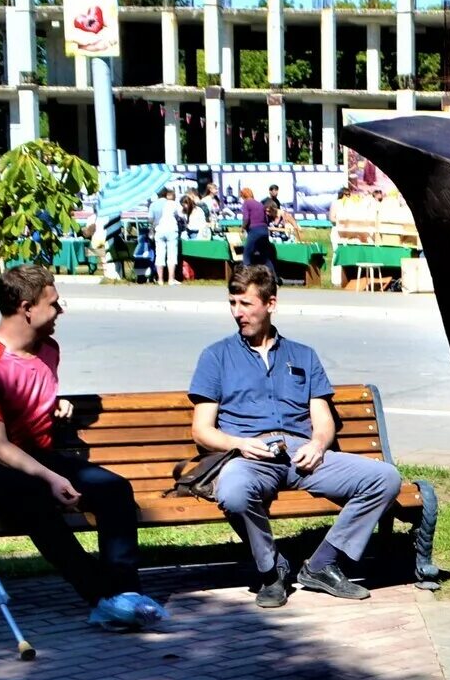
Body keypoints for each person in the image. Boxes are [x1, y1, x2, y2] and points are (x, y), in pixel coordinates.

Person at [0, 265, 163, 628]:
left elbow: (26, 392)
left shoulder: (48, 349)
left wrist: (54, 403)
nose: (61, 311)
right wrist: (50, 477)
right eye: (54, 304)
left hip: (36, 458)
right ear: (26, 307)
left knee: (114, 489)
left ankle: (126, 593)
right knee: (33, 496)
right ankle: (101, 597)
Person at [189, 265, 403, 607]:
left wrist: (319, 445)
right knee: (233, 492)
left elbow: (323, 421)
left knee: (384, 478)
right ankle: (272, 571)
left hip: (301, 454)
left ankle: (322, 565)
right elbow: (201, 431)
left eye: (246, 304)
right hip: (249, 456)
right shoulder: (216, 356)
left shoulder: (303, 355)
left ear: (270, 303)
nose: (237, 313)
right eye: (232, 303)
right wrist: (240, 443)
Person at [236, 186, 275, 270]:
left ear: (243, 196)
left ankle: (246, 275)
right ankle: (274, 278)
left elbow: (246, 218)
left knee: (246, 254)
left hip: (254, 231)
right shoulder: (259, 204)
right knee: (265, 256)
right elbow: (266, 219)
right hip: (264, 230)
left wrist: (243, 228)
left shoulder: (246, 203)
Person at [150, 186, 182, 285]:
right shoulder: (173, 204)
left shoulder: (153, 205)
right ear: (166, 193)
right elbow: (181, 215)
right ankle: (171, 279)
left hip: (159, 230)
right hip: (171, 229)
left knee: (159, 254)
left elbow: (150, 219)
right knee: (171, 255)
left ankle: (160, 279)